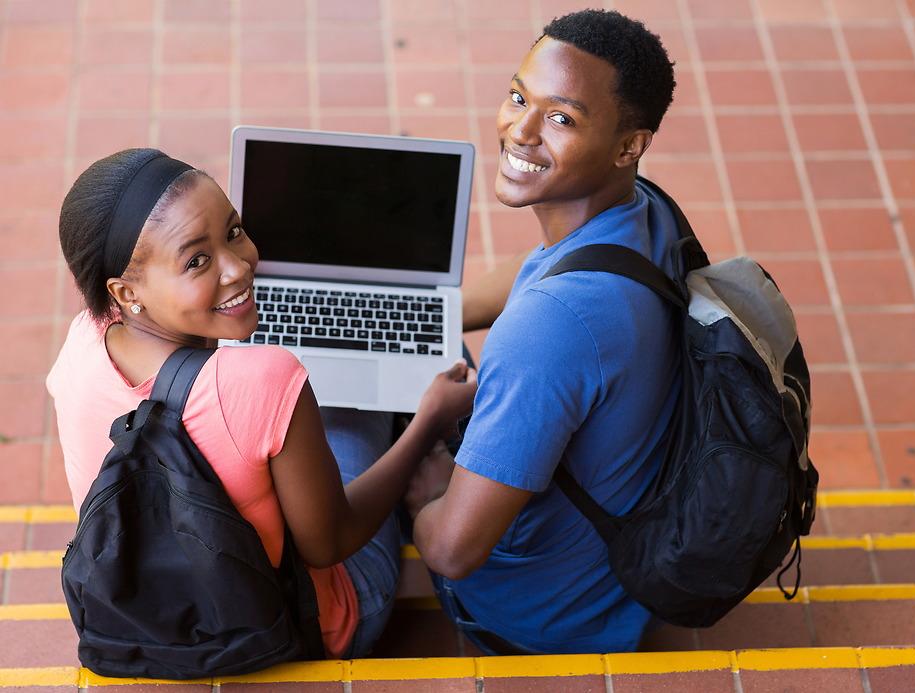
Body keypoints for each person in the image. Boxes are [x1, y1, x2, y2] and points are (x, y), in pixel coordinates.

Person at [46, 148, 477, 661]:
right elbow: (329, 545)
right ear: (126, 291)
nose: (241, 266)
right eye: (197, 261)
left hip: (147, 621)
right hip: (313, 625)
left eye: (233, 231)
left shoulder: (81, 344)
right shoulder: (266, 379)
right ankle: (429, 493)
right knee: (398, 387)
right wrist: (427, 422)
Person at [406, 9, 683, 654]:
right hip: (615, 568)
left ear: (628, 145)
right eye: (517, 97)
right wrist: (428, 314)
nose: (520, 131)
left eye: (562, 118)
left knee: (351, 450)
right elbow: (546, 268)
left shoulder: (548, 331)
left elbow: (450, 551)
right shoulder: (645, 210)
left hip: (540, 617)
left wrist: (429, 487)